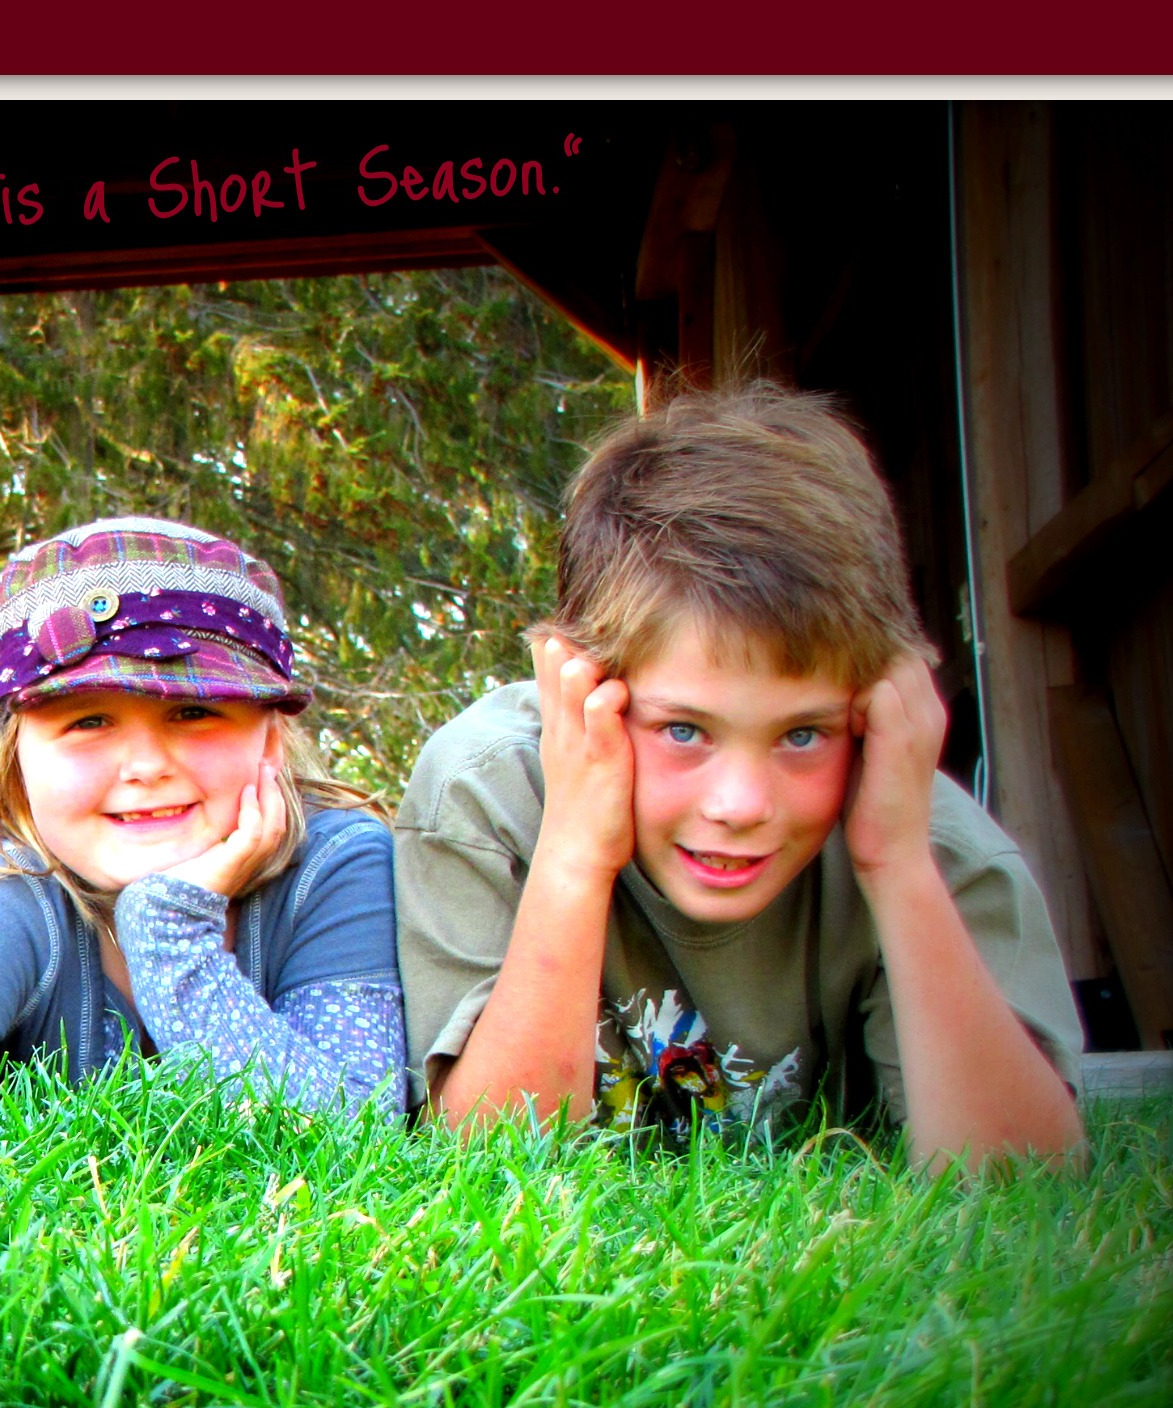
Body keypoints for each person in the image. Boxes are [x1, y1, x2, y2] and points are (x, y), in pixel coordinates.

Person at [393, 383, 1085, 1169]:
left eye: (803, 734)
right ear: (579, 688)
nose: (741, 805)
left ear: (875, 709)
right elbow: (488, 1162)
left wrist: (898, 866)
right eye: (684, 730)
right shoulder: (486, 795)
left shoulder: (932, 840)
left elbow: (1024, 1182)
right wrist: (574, 854)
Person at [0, 515, 407, 1115]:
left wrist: (171, 933)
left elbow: (354, 1131)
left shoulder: (334, 865)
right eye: (89, 721)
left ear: (271, 740)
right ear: (16, 756)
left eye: (194, 712)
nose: (146, 767)